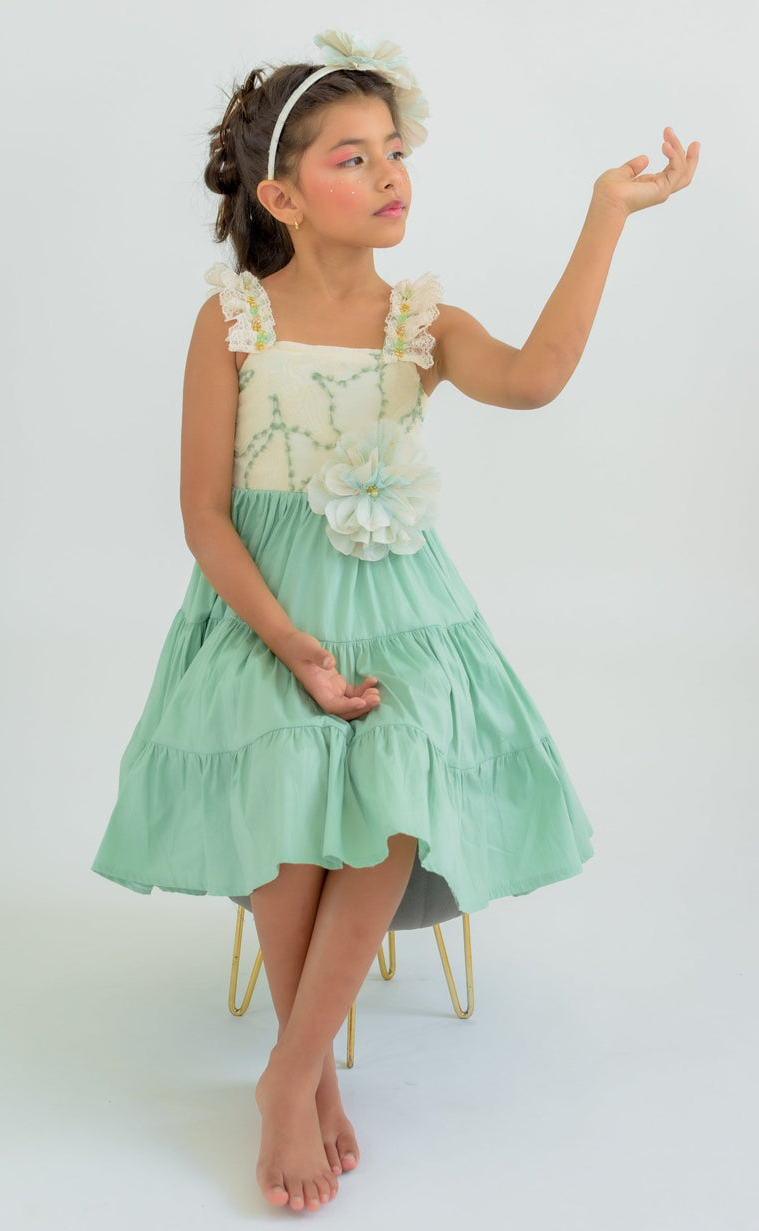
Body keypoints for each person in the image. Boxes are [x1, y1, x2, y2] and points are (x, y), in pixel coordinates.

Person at [91, 27, 699, 1215]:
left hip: (399, 607)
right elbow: (204, 515)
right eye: (351, 158)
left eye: (394, 152)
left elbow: (533, 378)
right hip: (263, 610)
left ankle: (287, 1073)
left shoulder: (420, 322)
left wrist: (606, 214)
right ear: (280, 197)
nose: (388, 175)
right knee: (281, 757)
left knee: (402, 764)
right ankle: (305, 1075)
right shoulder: (233, 320)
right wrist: (290, 646)